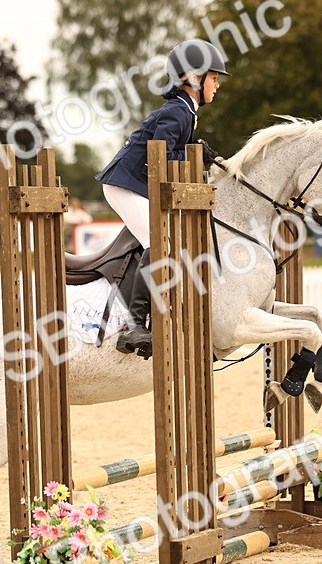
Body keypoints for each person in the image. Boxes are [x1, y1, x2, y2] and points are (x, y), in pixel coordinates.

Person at [95, 38, 229, 357]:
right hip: (124, 184)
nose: (217, 86)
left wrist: (195, 149)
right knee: (158, 244)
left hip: (135, 183)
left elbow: (170, 153)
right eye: (214, 78)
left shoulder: (185, 111)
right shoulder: (177, 112)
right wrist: (191, 152)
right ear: (194, 78)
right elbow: (163, 156)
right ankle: (134, 325)